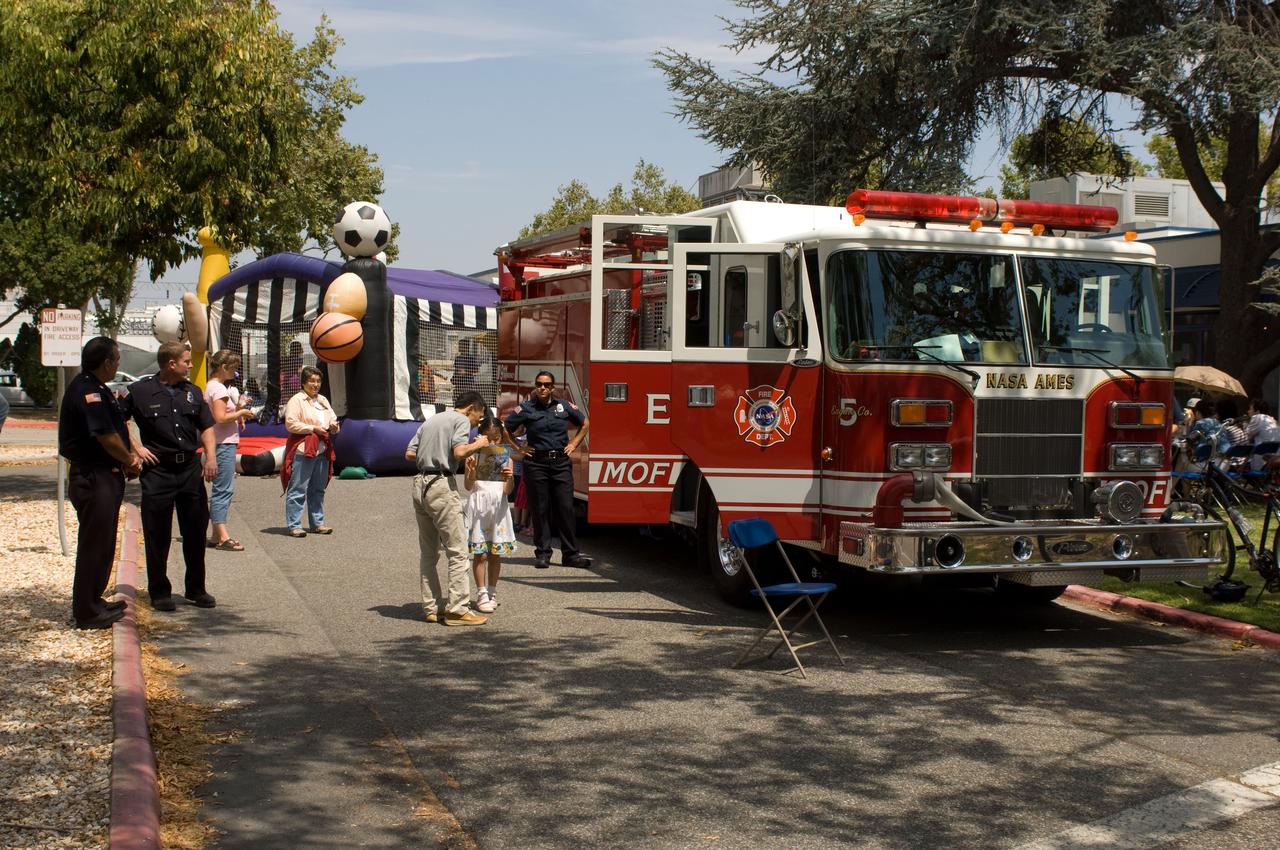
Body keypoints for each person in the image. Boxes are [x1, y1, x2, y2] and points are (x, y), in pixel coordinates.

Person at [123, 342, 218, 612]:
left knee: (195, 531)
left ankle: (196, 589)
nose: (191, 365)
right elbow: (118, 419)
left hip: (189, 470)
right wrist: (136, 447)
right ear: (171, 364)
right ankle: (160, 591)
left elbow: (207, 427)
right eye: (187, 361)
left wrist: (210, 457)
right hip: (158, 471)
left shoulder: (192, 392)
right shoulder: (140, 391)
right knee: (157, 534)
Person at [58, 337, 142, 628]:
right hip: (94, 476)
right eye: (116, 360)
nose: (118, 365)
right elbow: (106, 436)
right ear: (106, 362)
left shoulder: (98, 388)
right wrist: (130, 460)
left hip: (105, 474)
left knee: (104, 541)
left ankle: (95, 600)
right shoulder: (87, 391)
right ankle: (87, 611)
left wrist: (125, 459)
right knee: (94, 544)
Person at [405, 390, 490, 626]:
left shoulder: (432, 420)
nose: (477, 423)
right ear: (471, 408)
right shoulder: (460, 420)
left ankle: (431, 608)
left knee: (429, 552)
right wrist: (478, 444)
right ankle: (458, 609)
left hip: (420, 483)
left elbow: (409, 453)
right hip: (441, 484)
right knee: (458, 550)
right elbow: (459, 452)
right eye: (479, 416)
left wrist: (433, 451)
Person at [504, 370, 591, 569]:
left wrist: (574, 443)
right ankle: (543, 553)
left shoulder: (564, 406)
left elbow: (585, 423)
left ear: (553, 387)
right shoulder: (526, 408)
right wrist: (519, 448)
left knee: (565, 508)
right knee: (540, 509)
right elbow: (505, 428)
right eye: (539, 384)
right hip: (536, 464)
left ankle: (571, 555)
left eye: (546, 385)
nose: (542, 388)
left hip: (560, 464)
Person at [462, 414, 516, 613]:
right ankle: (481, 593)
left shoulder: (507, 459)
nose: (492, 443)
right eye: (488, 438)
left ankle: (492, 591)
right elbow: (468, 486)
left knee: (495, 553)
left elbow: (507, 491)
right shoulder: (473, 456)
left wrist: (510, 478)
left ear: (501, 437)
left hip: (498, 509)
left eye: (496, 438)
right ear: (480, 436)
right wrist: (470, 472)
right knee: (481, 554)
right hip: (479, 508)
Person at [204, 350, 255, 551]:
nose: (235, 373)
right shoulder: (219, 389)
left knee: (222, 488)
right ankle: (223, 536)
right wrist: (241, 412)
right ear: (223, 368)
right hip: (223, 443)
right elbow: (220, 417)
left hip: (220, 442)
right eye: (233, 369)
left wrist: (237, 413)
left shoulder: (211, 386)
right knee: (223, 490)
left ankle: (215, 535)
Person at [281, 365, 339, 538]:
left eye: (318, 381)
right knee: (298, 488)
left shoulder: (322, 400)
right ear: (303, 383)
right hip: (303, 449)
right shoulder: (296, 400)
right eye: (312, 381)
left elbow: (333, 419)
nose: (316, 384)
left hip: (322, 449)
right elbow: (291, 423)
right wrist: (313, 428)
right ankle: (294, 525)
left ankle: (317, 523)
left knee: (318, 489)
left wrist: (334, 426)